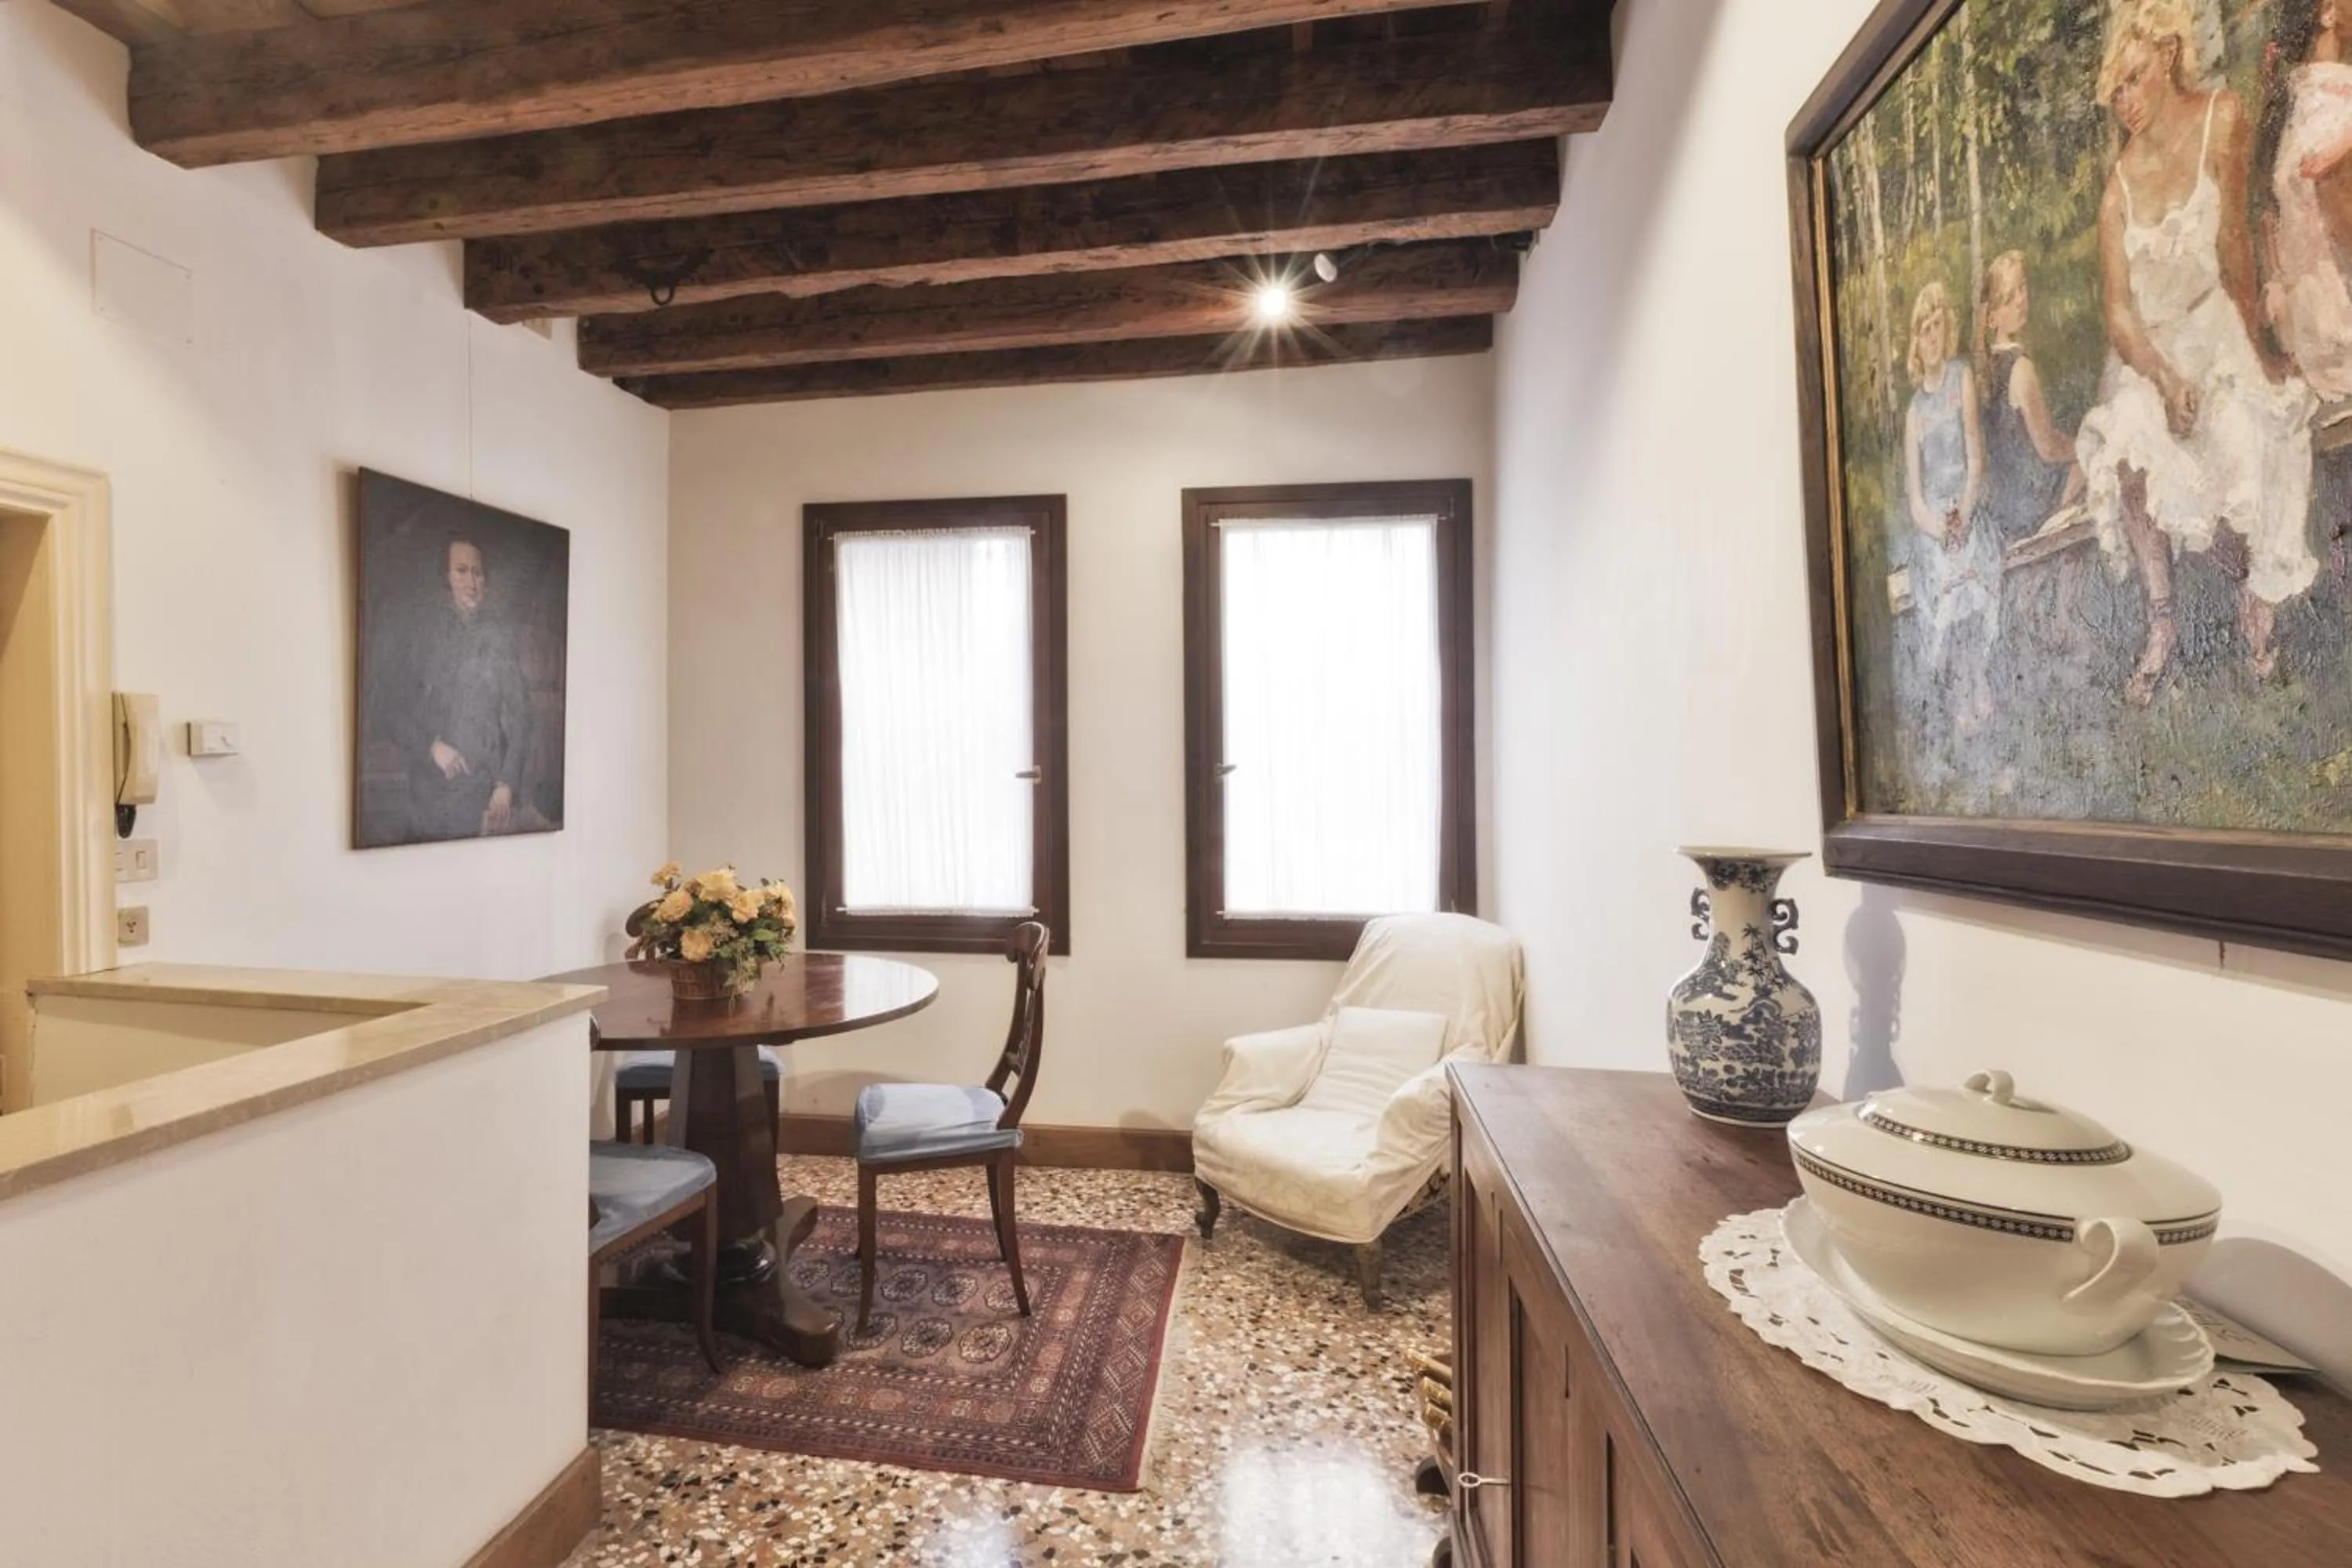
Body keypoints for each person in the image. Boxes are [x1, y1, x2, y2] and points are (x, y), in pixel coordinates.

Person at [2076, 0, 2318, 705]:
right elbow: (2120, 313)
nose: (2126, 102)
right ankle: (2162, 623)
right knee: (2126, 443)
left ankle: (2254, 594)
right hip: (2150, 356)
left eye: (2135, 80)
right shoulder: (2115, 191)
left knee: (2244, 438)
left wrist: (2260, 350)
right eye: (2116, 91)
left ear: (2169, 59)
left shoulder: (2225, 118)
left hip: (2218, 331)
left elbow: (2235, 247)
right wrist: (2160, 375)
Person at [1901, 279, 1999, 729]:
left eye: (1939, 325)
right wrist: (1940, 529)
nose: (1934, 337)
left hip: (1967, 505)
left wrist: (1964, 512)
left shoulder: (1961, 379)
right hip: (1933, 528)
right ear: (1916, 342)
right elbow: (1915, 500)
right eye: (1925, 329)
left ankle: (1979, 676)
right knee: (1945, 573)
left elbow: (1976, 458)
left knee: (1974, 565)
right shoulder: (1914, 412)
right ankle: (1960, 688)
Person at [389, 533, 531, 840]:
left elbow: (520, 715)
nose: (471, 582)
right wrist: (431, 746)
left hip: (486, 793)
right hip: (430, 792)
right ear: (447, 578)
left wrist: (506, 783)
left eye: (478, 573)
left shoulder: (499, 637)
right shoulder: (423, 632)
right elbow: (391, 708)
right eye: (462, 571)